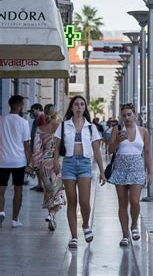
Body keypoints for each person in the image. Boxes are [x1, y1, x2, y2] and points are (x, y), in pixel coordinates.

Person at [53, 95, 106, 249]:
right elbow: (56, 147)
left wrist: (102, 171)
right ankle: (74, 237)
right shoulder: (63, 125)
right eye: (76, 104)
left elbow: (96, 150)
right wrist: (55, 162)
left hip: (84, 164)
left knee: (84, 201)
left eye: (82, 105)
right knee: (72, 201)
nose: (79, 107)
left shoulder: (91, 127)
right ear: (71, 108)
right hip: (68, 164)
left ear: (84, 108)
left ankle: (85, 225)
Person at [107, 103, 153, 247]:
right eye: (124, 115)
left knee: (134, 200)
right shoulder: (117, 129)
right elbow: (110, 149)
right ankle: (125, 235)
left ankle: (134, 225)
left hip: (137, 168)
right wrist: (118, 140)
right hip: (120, 168)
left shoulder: (143, 131)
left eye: (129, 114)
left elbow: (147, 152)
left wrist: (150, 172)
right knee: (122, 203)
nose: (127, 117)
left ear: (135, 115)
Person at [31, 104, 66, 231]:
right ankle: (52, 215)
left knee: (49, 193)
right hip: (59, 163)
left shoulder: (40, 129)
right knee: (58, 192)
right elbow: (65, 145)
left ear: (44, 113)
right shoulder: (60, 126)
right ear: (55, 112)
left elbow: (36, 149)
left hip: (44, 164)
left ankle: (51, 216)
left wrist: (36, 165)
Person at [0, 95, 31, 228]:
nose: (23, 107)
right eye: (22, 105)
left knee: (1, 190)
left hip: (2, 160)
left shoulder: (1, 120)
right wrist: (29, 164)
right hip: (19, 161)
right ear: (18, 106)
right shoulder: (23, 123)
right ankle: (15, 220)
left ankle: (1, 212)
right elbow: (26, 146)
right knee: (18, 189)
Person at [29, 103, 44, 192]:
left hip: (39, 147)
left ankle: (41, 185)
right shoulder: (36, 120)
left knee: (39, 166)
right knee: (37, 166)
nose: (32, 112)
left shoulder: (42, 118)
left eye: (33, 110)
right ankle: (39, 184)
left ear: (38, 109)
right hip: (35, 146)